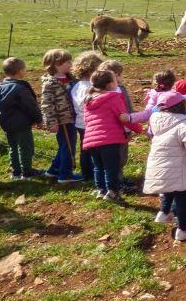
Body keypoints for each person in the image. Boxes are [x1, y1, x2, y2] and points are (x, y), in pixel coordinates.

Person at [144, 89, 186, 241]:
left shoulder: (155, 119)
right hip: (178, 166)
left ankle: (164, 213)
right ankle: (183, 229)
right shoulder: (184, 123)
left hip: (158, 164)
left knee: (168, 188)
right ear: (180, 106)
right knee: (182, 197)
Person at [81, 70, 140, 201]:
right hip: (109, 140)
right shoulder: (113, 98)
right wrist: (139, 128)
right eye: (114, 80)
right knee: (111, 168)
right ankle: (113, 192)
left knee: (98, 167)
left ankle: (101, 190)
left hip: (91, 140)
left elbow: (86, 121)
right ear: (109, 85)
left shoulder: (88, 100)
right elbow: (124, 118)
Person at [0, 58, 43, 179]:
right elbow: (31, 106)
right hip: (22, 124)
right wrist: (39, 119)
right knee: (25, 147)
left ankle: (16, 172)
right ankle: (27, 172)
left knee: (13, 146)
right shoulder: (21, 88)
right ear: (21, 71)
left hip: (6, 123)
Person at [40, 49, 82, 183]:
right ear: (57, 64)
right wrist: (51, 122)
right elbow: (47, 105)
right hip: (63, 120)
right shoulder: (50, 83)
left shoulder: (71, 78)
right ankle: (65, 174)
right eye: (68, 62)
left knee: (65, 145)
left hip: (72, 117)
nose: (71, 64)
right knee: (68, 146)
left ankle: (54, 170)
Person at [98, 60, 136, 192]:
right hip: (116, 130)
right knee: (118, 157)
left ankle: (118, 178)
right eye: (118, 75)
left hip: (120, 128)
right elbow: (124, 110)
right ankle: (117, 183)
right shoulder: (109, 94)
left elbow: (129, 108)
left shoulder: (121, 89)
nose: (121, 77)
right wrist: (131, 125)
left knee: (122, 155)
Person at [70, 51, 103, 182]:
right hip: (90, 123)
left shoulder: (77, 85)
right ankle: (93, 173)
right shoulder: (91, 87)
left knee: (85, 148)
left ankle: (86, 173)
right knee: (93, 149)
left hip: (80, 122)